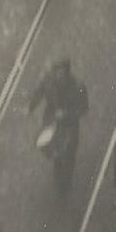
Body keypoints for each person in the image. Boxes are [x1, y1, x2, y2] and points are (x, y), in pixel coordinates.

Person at [29, 59, 89, 189]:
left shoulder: (78, 87)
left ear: (67, 73)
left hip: (69, 123)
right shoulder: (49, 81)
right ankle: (58, 174)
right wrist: (30, 107)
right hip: (52, 120)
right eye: (56, 73)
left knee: (70, 151)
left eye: (61, 74)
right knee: (55, 149)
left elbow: (83, 108)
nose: (57, 76)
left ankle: (67, 178)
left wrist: (67, 114)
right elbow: (38, 93)